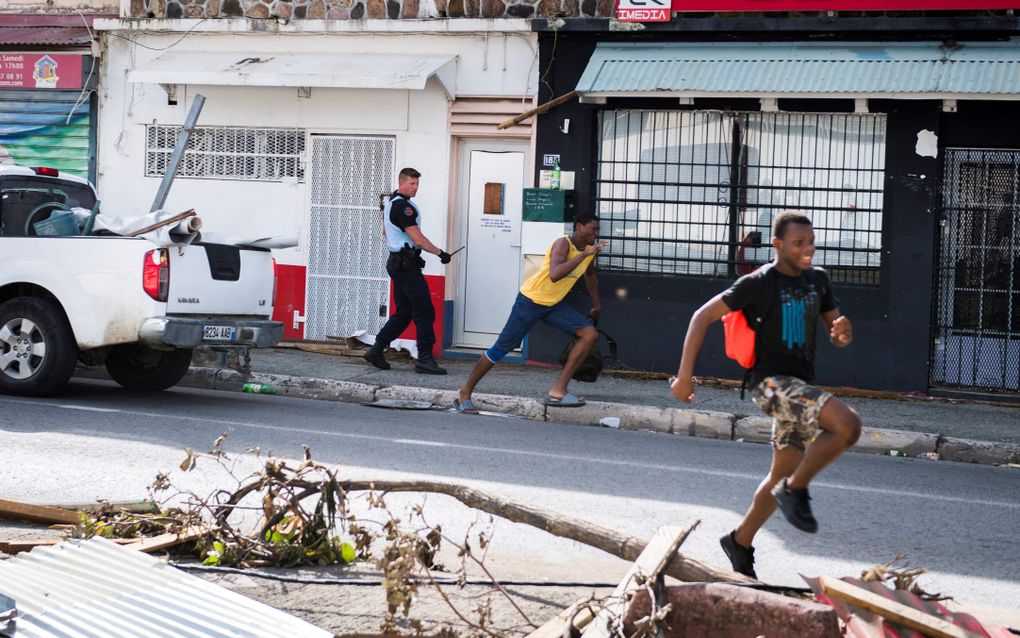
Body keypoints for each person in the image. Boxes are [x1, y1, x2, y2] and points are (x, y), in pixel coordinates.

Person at [670, 210, 861, 579]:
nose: (808, 250)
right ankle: (797, 490)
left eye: (811, 242)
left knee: (778, 475)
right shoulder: (758, 283)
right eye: (798, 243)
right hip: (770, 385)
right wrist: (683, 378)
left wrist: (843, 332)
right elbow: (701, 317)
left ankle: (739, 541)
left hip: (800, 387)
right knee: (847, 425)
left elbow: (837, 335)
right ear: (777, 245)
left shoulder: (817, 281)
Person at [454, 212, 608, 413]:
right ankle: (464, 392)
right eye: (593, 229)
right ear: (579, 227)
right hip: (531, 301)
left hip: (553, 304)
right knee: (501, 349)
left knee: (589, 334)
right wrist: (582, 255)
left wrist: (597, 305)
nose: (596, 234)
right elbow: (555, 274)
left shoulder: (589, 250)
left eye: (598, 230)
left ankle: (558, 389)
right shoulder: (563, 244)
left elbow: (589, 274)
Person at [363, 167, 452, 375]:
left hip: (399, 263)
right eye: (411, 183)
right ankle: (424, 359)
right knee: (424, 312)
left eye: (417, 184)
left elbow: (385, 232)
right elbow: (417, 238)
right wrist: (441, 254)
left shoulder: (391, 202)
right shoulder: (403, 207)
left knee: (405, 312)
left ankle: (376, 349)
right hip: (405, 266)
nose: (415, 188)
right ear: (401, 182)